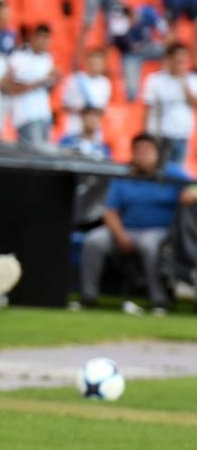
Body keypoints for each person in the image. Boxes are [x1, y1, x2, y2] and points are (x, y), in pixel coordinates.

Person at [79, 133, 194, 315]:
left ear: (157, 153)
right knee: (94, 240)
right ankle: (88, 296)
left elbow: (193, 188)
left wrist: (189, 195)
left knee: (149, 244)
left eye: (148, 150)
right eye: (139, 151)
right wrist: (121, 236)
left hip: (160, 232)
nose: (143, 155)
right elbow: (110, 212)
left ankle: (159, 301)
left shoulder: (171, 173)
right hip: (126, 230)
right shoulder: (124, 177)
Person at [3, 23, 59, 148]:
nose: (44, 42)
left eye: (47, 38)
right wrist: (40, 81)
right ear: (33, 37)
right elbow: (9, 86)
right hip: (26, 115)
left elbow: (47, 89)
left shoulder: (47, 58)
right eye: (42, 37)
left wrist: (54, 80)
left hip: (44, 114)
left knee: (44, 153)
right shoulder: (19, 57)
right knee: (34, 153)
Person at [141, 42, 197, 165]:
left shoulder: (193, 80)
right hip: (159, 134)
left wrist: (184, 82)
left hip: (181, 134)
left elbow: (194, 103)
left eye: (183, 61)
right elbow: (147, 107)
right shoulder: (155, 80)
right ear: (169, 59)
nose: (180, 64)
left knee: (177, 171)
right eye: (177, 60)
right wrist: (145, 134)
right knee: (159, 170)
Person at [110, 3, 167, 101]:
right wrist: (128, 43)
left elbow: (164, 28)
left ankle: (168, 83)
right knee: (131, 92)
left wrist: (165, 38)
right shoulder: (118, 23)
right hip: (131, 54)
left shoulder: (146, 13)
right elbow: (118, 45)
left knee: (170, 52)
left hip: (148, 47)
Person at [61, 48, 111, 139]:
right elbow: (65, 105)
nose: (95, 66)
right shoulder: (75, 79)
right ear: (87, 63)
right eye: (93, 63)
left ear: (104, 65)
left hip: (94, 128)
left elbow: (102, 108)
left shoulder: (105, 83)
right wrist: (80, 110)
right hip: (76, 124)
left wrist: (91, 114)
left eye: (98, 64)